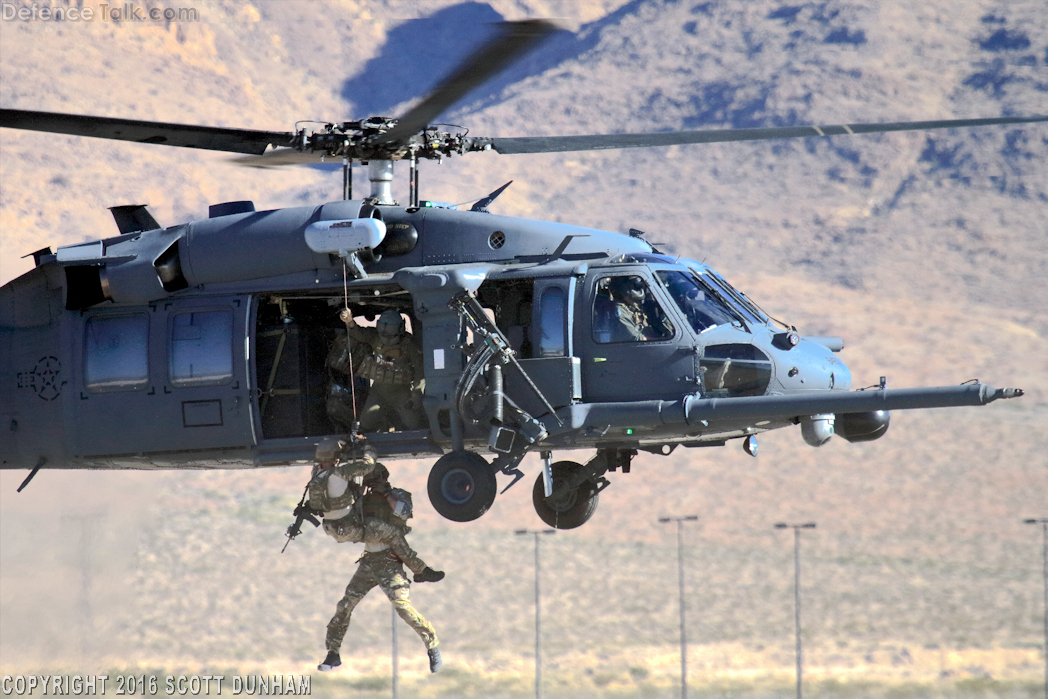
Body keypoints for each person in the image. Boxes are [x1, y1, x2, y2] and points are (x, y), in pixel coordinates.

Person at [310, 437, 443, 674]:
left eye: (376, 480)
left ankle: (432, 645)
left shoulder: (399, 495)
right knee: (345, 605)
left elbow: (403, 513)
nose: (372, 484)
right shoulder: (360, 498)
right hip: (368, 561)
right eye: (370, 481)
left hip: (390, 562)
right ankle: (332, 653)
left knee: (403, 608)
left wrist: (387, 493)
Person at [340, 309, 425, 432]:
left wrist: (416, 395)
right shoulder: (375, 337)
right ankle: (384, 426)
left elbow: (419, 369)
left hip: (401, 392)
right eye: (383, 335)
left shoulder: (408, 344)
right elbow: (360, 334)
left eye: (391, 336)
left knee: (412, 422)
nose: (386, 339)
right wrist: (349, 322)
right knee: (366, 422)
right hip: (379, 392)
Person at [606, 275, 673, 342]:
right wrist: (662, 340)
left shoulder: (638, 307)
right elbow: (636, 338)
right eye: (631, 284)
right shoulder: (621, 311)